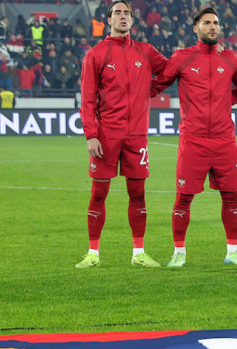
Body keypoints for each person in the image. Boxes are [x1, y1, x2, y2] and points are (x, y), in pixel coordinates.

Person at [151, 5, 237, 267]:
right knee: (184, 197)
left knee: (231, 195)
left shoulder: (230, 59)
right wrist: (122, 93)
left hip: (224, 140)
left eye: (215, 23)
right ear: (196, 28)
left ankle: (232, 252)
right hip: (193, 140)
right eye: (207, 23)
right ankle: (179, 253)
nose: (213, 27)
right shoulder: (181, 57)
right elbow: (155, 85)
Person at [76, 1, 167, 269]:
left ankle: (138, 252)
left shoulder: (146, 51)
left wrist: (149, 90)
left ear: (132, 20)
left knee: (138, 194)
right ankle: (93, 253)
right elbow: (88, 99)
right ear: (109, 20)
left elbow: (172, 70)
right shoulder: (96, 53)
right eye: (118, 12)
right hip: (106, 136)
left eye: (127, 13)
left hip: (137, 136)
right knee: (98, 194)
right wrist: (91, 135)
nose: (123, 16)